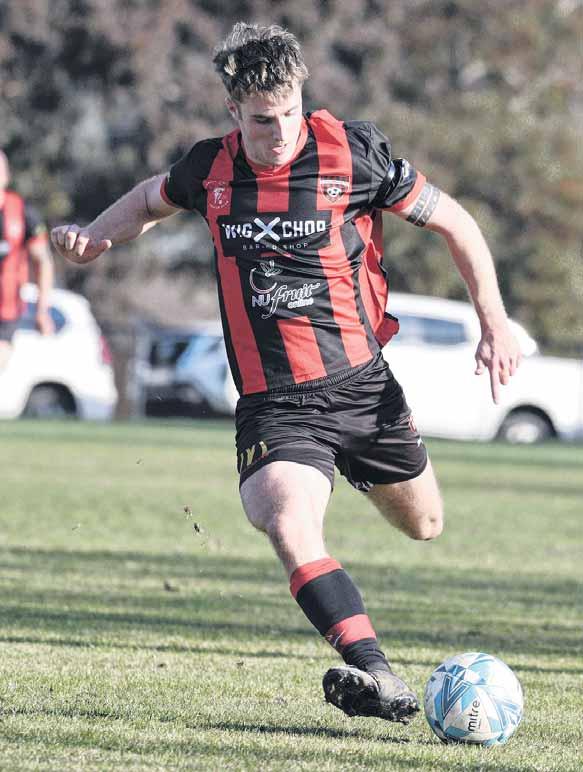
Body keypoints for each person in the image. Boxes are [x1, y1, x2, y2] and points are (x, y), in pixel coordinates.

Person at [50, 23, 522, 724]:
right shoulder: (209, 169)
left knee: (425, 524)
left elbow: (455, 222)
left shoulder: (353, 155)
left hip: (361, 388)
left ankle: (349, 467)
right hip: (275, 405)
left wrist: (493, 321)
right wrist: (96, 236)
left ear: (304, 97)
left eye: (289, 115)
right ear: (234, 112)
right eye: (262, 121)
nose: (278, 135)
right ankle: (377, 674)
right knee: (286, 522)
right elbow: (150, 200)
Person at [0, 150, 55, 370]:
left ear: (6, 176)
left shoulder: (23, 213)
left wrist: (42, 310)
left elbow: (43, 261)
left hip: (5, 312)